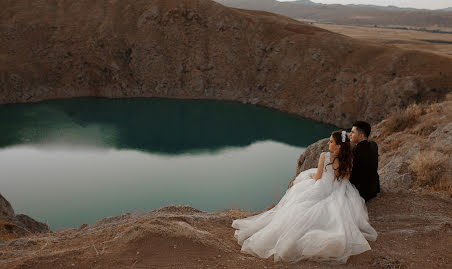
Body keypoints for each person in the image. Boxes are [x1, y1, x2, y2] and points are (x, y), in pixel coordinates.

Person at [232, 130, 377, 264]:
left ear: (338, 146)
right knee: (334, 211)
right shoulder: (349, 158)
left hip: (322, 186)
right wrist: (337, 188)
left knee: (301, 195)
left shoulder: (324, 156)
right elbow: (345, 179)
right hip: (338, 188)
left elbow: (318, 176)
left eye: (331, 142)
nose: (329, 143)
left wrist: (310, 177)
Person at [348, 121, 380, 201]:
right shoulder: (374, 145)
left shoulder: (354, 151)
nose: (350, 135)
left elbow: (351, 174)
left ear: (361, 136)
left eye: (352, 132)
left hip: (360, 193)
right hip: (373, 189)